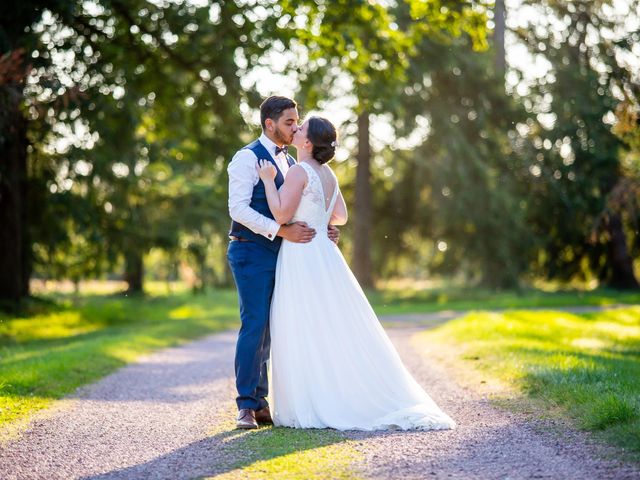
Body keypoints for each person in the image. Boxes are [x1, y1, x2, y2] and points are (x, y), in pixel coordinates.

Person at [256, 115, 456, 430]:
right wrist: (326, 228)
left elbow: (281, 213)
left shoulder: (298, 171)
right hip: (324, 254)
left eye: (301, 128)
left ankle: (316, 400)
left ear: (307, 143)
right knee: (329, 323)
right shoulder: (328, 174)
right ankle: (331, 391)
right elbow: (342, 216)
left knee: (304, 322)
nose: (295, 129)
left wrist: (268, 180)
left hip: (302, 257)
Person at [226, 96, 339, 429]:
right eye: (289, 122)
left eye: (297, 121)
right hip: (250, 251)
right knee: (255, 323)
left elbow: (304, 203)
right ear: (269, 124)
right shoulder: (245, 158)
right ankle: (246, 405)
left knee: (275, 326)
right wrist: (281, 230)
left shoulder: (292, 162)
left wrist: (324, 227)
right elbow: (238, 210)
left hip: (285, 255)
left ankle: (262, 403)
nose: (295, 127)